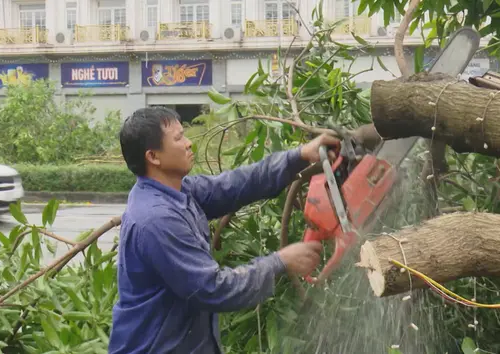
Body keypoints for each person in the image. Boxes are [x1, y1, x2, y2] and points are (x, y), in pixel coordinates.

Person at [108, 107, 341, 354]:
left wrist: (299, 156)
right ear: (153, 156)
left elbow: (235, 185)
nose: (189, 144)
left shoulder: (179, 191)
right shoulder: (157, 220)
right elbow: (212, 289)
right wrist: (279, 262)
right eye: (178, 139)